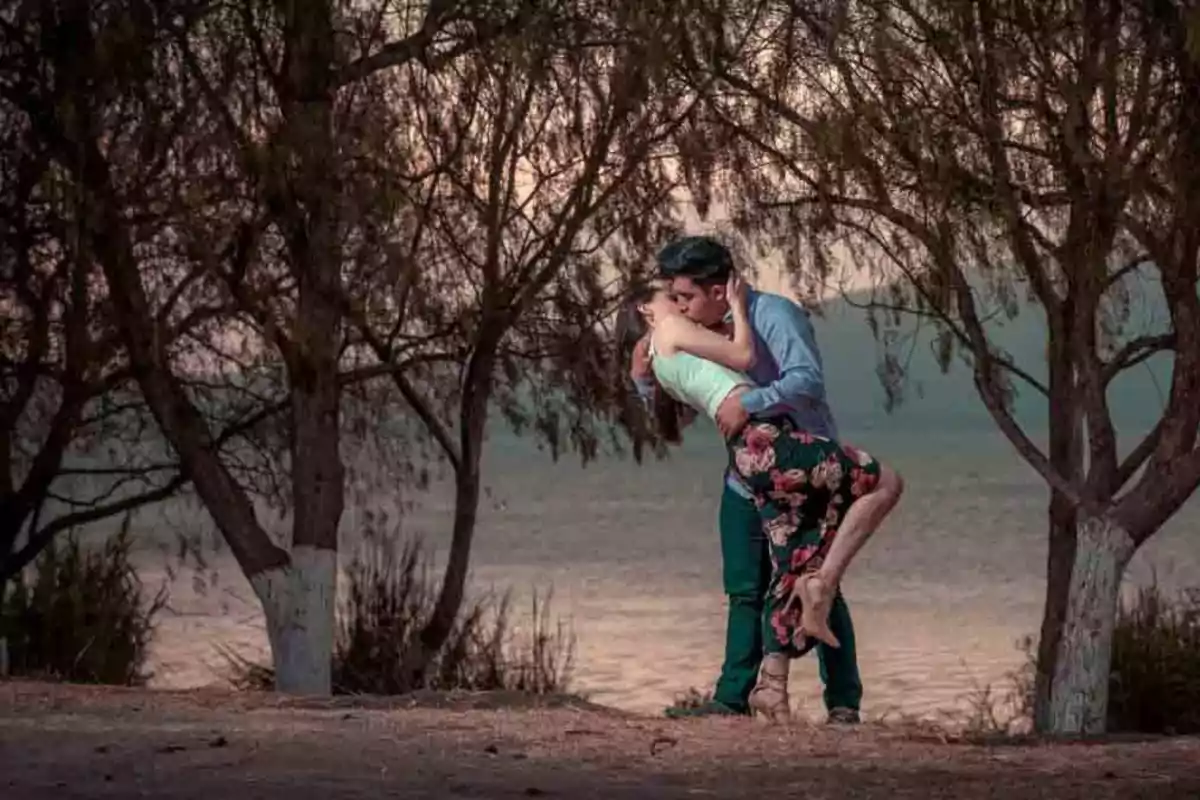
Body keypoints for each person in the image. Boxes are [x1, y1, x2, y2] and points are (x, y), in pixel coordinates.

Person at [620, 271, 903, 721]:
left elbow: (803, 379)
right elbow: (690, 408)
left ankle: (833, 701)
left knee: (804, 571)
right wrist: (644, 378)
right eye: (672, 297)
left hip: (779, 448)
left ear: (716, 290)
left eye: (685, 295)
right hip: (760, 458)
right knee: (755, 584)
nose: (680, 303)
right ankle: (735, 698)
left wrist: (746, 400)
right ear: (649, 310)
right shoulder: (682, 332)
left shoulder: (771, 314)